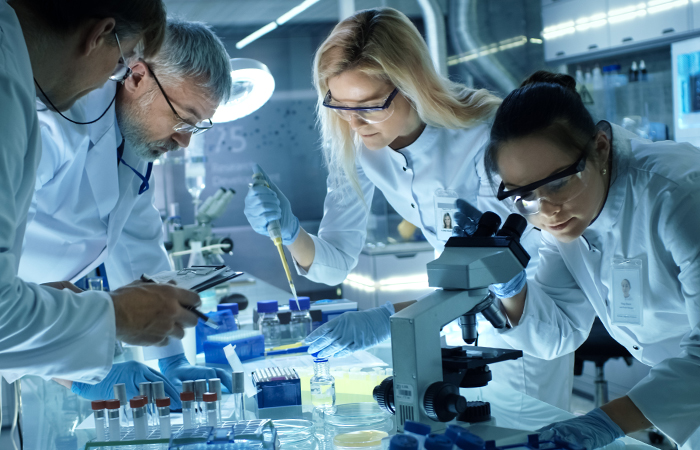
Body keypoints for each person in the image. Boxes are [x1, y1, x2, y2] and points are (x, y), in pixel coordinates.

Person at [244, 7, 574, 410]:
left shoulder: (485, 136)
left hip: (523, 324)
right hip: (448, 323)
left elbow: (502, 269)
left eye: (370, 105)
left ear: (412, 85)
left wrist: (386, 320)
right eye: (340, 105)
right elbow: (334, 263)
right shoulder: (363, 146)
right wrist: (291, 231)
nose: (355, 122)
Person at [468, 70, 700, 449]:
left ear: (602, 147)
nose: (547, 211)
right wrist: (511, 288)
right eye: (525, 195)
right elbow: (558, 331)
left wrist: (604, 422)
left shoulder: (678, 196)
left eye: (558, 182)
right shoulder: (565, 222)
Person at [19, 19, 234, 404]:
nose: (184, 141)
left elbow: (136, 245)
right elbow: (10, 309)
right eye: (182, 118)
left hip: (42, 320)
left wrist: (171, 359)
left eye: (197, 127)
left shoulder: (133, 142)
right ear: (137, 77)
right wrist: (81, 375)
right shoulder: (54, 126)